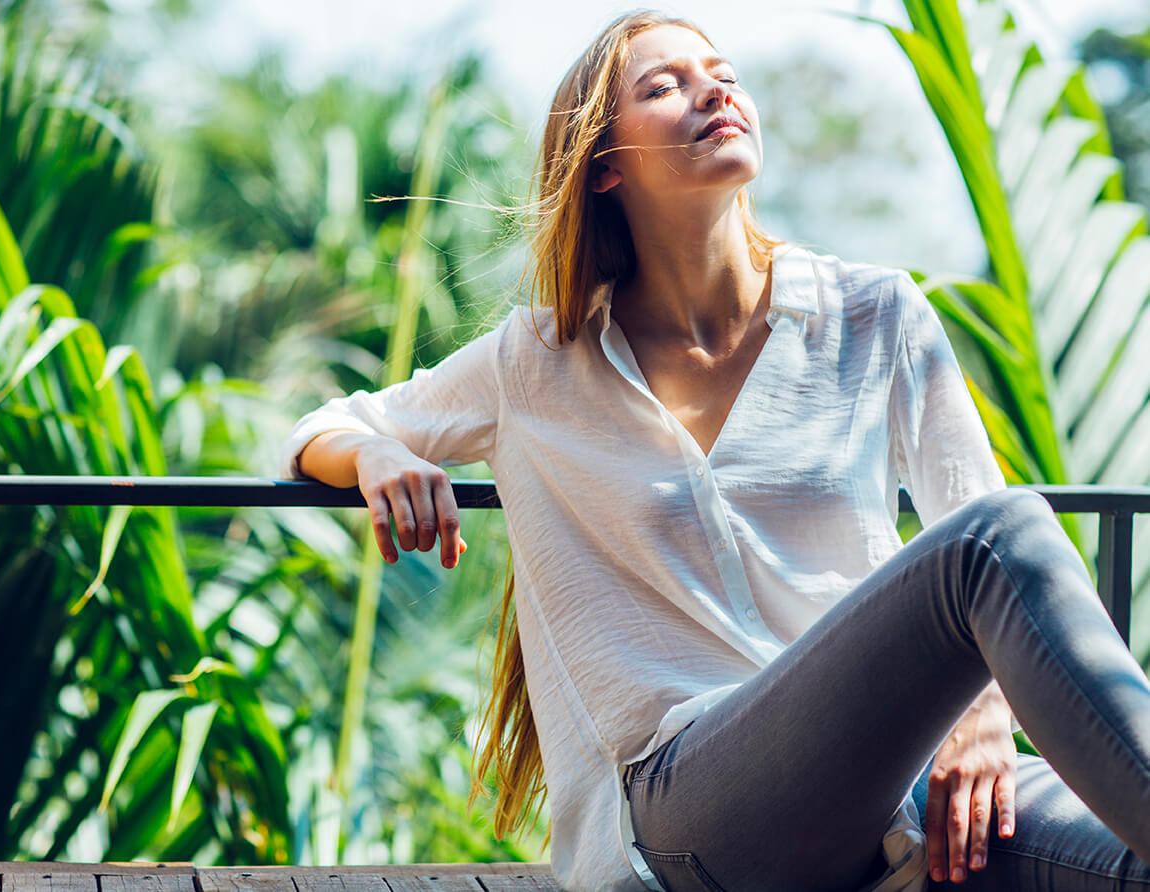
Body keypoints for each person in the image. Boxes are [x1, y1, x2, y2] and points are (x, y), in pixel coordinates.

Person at [280, 10, 1150, 891]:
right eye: (663, 87)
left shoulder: (874, 313)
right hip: (692, 810)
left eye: (720, 71)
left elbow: (969, 505)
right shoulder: (537, 361)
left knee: (1126, 856)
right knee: (994, 538)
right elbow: (325, 425)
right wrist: (376, 457)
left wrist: (985, 712)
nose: (713, 89)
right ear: (608, 166)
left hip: (906, 791)